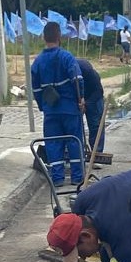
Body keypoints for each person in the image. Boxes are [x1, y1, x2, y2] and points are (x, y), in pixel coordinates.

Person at [31, 22, 85, 187]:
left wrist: (42, 106)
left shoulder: (38, 62)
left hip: (51, 111)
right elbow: (77, 80)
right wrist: (80, 98)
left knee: (53, 143)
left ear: (43, 37)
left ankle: (58, 178)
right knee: (74, 141)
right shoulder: (67, 57)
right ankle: (77, 177)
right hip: (70, 109)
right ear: (59, 36)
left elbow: (36, 89)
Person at [76, 58, 105, 156]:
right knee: (74, 125)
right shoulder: (66, 72)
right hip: (77, 97)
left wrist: (87, 103)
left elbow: (98, 91)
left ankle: (97, 153)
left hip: (93, 96)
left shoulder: (90, 73)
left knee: (95, 124)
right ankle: (76, 153)